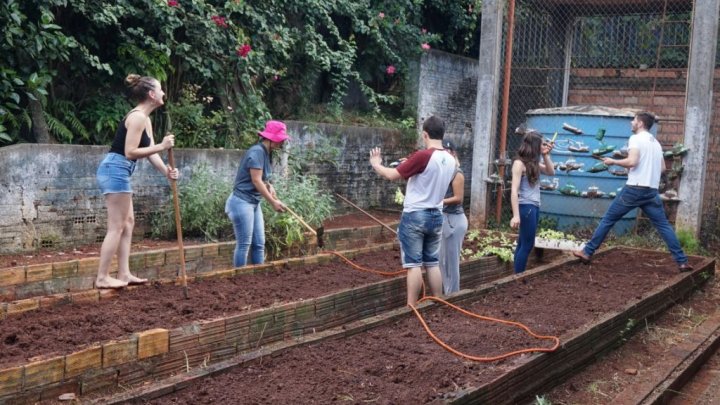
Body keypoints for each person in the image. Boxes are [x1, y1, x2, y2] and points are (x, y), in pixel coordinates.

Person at [572, 112, 693, 272]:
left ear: (641, 123)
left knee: (608, 219)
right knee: (664, 226)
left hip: (634, 189)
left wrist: (612, 161)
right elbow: (663, 168)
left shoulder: (635, 139)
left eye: (634, 120)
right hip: (651, 191)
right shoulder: (655, 143)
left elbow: (632, 161)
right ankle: (682, 262)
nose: (631, 122)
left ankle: (587, 252)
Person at [95, 74, 179, 289]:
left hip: (120, 170)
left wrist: (166, 171)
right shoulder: (138, 117)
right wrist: (162, 146)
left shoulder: (146, 119)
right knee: (117, 226)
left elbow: (150, 153)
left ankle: (124, 274)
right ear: (151, 94)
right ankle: (102, 277)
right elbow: (130, 152)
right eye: (160, 89)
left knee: (128, 223)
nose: (163, 93)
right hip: (115, 169)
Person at [369, 115, 456, 306]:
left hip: (416, 214)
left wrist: (376, 165)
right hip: (436, 214)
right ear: (442, 134)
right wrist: (409, 163)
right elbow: (429, 175)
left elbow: (392, 175)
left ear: (425, 134)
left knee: (413, 263)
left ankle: (411, 307)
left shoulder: (423, 156)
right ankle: (438, 300)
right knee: (432, 262)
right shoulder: (451, 160)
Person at [226, 120, 288, 267]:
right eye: (280, 139)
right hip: (241, 202)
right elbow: (256, 180)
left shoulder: (266, 153)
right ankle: (240, 279)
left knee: (259, 243)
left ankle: (258, 277)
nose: (282, 143)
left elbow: (261, 178)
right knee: (244, 244)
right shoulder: (257, 152)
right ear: (271, 138)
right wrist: (273, 202)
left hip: (253, 202)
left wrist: (269, 185)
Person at [510, 130, 555, 274]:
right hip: (526, 207)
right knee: (527, 245)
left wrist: (546, 155)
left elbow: (550, 172)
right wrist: (516, 215)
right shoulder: (519, 163)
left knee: (523, 243)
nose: (544, 146)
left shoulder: (533, 162)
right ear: (535, 145)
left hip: (534, 207)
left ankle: (515, 276)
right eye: (542, 144)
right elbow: (513, 191)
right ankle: (518, 277)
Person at [439, 140, 468, 295]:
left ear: (453, 152)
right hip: (444, 218)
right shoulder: (442, 171)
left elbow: (458, 198)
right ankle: (446, 293)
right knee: (441, 261)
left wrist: (438, 201)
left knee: (451, 262)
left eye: (447, 150)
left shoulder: (457, 173)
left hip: (454, 220)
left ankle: (454, 295)